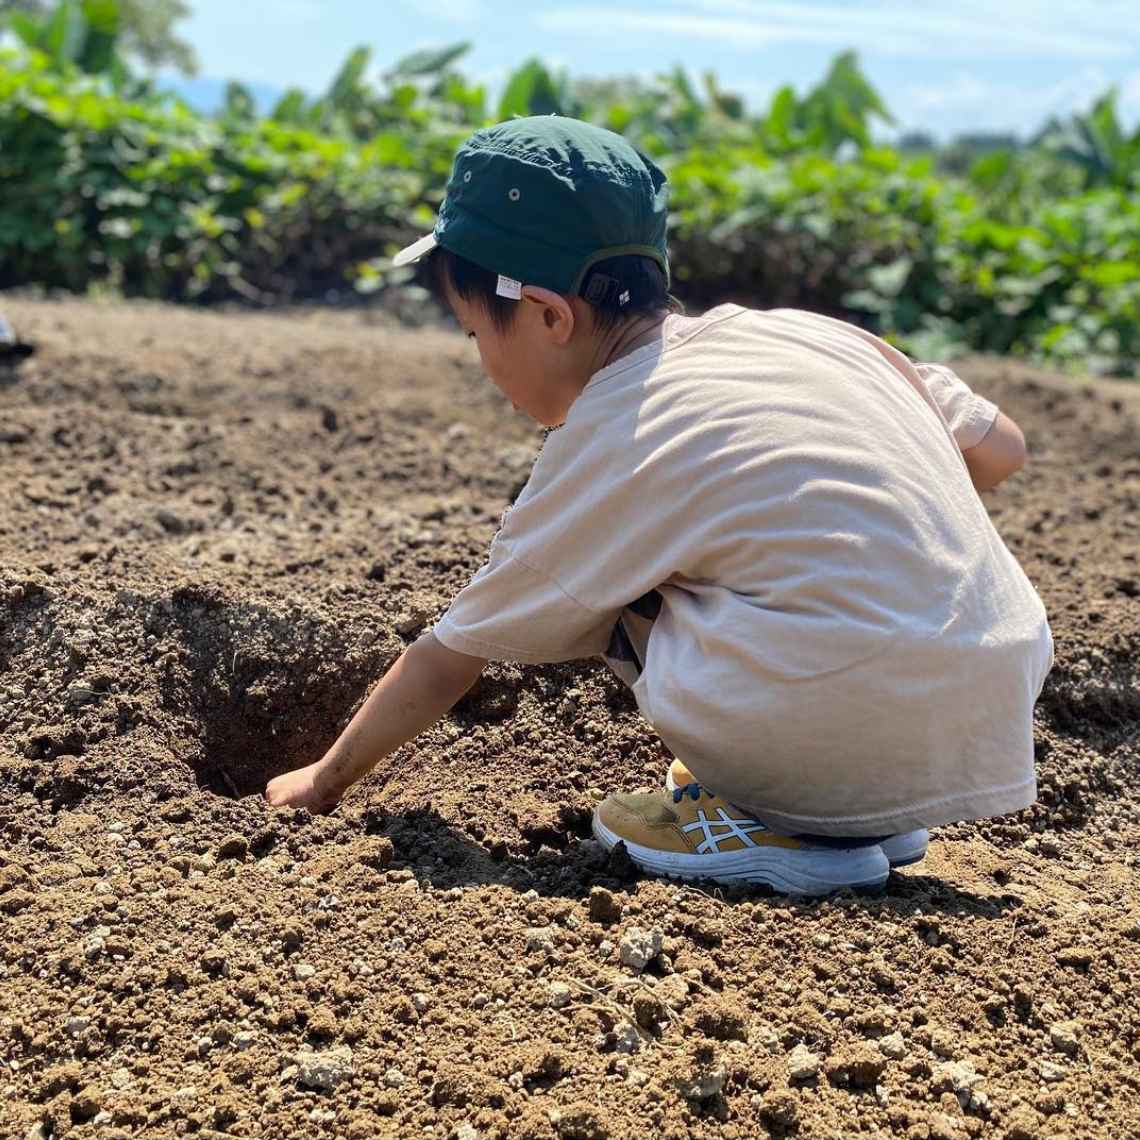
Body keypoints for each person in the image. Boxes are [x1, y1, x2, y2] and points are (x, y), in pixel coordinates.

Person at [265, 116, 1053, 896]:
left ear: (548, 315)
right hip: (988, 701)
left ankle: (783, 824)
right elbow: (1004, 449)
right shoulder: (812, 337)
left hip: (836, 718)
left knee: (624, 595)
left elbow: (454, 653)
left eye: (477, 336)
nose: (481, 363)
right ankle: (859, 803)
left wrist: (323, 781)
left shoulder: (621, 427)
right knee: (756, 563)